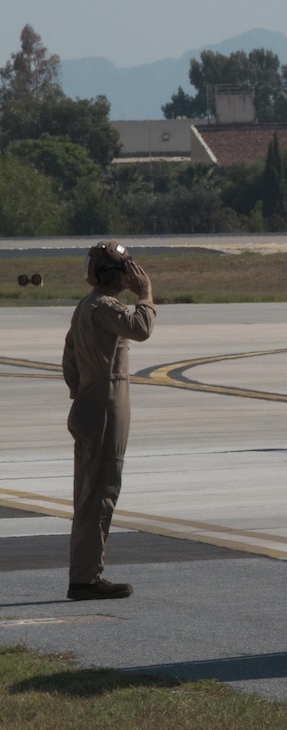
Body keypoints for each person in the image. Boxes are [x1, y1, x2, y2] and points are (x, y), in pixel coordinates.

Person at [62, 242, 155, 601]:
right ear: (113, 275)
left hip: (88, 401)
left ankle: (84, 573)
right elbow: (141, 327)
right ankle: (86, 579)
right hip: (105, 404)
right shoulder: (104, 307)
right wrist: (145, 294)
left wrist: (81, 394)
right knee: (100, 493)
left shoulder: (85, 306)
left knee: (86, 494)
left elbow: (69, 358)